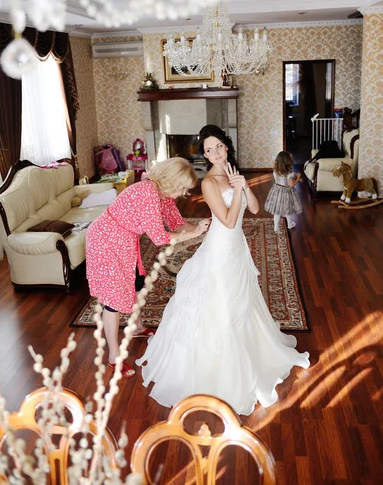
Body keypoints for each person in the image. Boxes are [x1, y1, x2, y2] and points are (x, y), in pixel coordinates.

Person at [136, 125, 309, 415]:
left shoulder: (232, 173)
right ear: (204, 155)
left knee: (241, 299)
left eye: (218, 146)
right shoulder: (208, 184)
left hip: (236, 248)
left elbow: (253, 210)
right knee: (218, 303)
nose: (215, 153)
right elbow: (228, 221)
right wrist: (237, 190)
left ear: (226, 147)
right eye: (208, 150)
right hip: (219, 248)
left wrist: (243, 184)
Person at [86, 157, 210, 378]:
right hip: (105, 240)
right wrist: (193, 233)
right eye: (182, 187)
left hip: (124, 239)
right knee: (113, 299)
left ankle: (136, 328)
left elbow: (177, 223)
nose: (184, 193)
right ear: (171, 181)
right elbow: (160, 238)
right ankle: (114, 356)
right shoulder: (147, 193)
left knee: (137, 283)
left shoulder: (163, 195)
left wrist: (202, 229)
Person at [264, 151, 302, 233]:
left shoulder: (275, 171)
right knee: (287, 209)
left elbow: (278, 180)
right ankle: (289, 224)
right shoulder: (290, 174)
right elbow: (291, 185)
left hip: (276, 191)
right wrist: (298, 178)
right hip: (286, 193)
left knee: (277, 211)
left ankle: (276, 227)